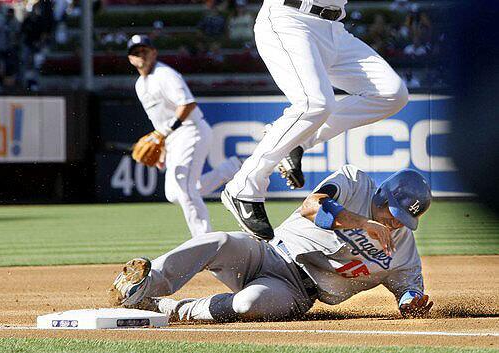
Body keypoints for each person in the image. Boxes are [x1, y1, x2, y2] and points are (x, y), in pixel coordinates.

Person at [109, 165, 433, 322]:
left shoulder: (402, 251)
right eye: (393, 213)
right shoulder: (354, 181)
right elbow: (312, 207)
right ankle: (141, 286)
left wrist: (410, 301)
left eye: (403, 219)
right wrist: (363, 222)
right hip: (266, 252)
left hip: (295, 292)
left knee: (247, 305)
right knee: (217, 240)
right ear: (382, 194)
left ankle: (166, 309)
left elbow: (409, 288)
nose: (395, 222)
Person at [220, 0, 409, 240]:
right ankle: (244, 187)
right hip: (290, 18)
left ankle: (296, 143)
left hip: (334, 30)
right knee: (315, 103)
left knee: (392, 93)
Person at [127, 35, 241, 237]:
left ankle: (204, 240)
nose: (140, 55)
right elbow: (158, 120)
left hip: (191, 130)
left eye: (144, 50)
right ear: (130, 59)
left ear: (154, 53)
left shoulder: (165, 74)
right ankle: (231, 168)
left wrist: (165, 133)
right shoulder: (140, 84)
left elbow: (187, 104)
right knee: (174, 194)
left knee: (183, 186)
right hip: (172, 137)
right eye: (136, 52)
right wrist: (162, 145)